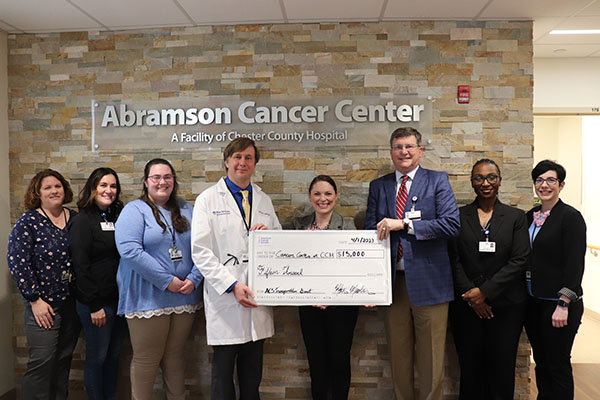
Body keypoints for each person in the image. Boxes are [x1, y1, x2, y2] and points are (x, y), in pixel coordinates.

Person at [365, 127, 460, 400]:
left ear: (420, 150)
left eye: (409, 146)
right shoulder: (379, 186)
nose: (403, 152)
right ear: (390, 151)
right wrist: (369, 285)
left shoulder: (437, 181)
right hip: (393, 285)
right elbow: (371, 236)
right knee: (399, 355)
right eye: (398, 147)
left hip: (430, 284)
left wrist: (405, 224)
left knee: (431, 358)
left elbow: (451, 225)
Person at [191, 137, 281, 400]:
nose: (243, 162)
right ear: (227, 161)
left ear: (255, 165)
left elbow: (279, 241)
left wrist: (269, 235)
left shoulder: (263, 200)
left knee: (252, 379)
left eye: (249, 158)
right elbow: (201, 251)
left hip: (256, 296)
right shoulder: (207, 199)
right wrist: (232, 285)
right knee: (223, 380)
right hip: (227, 299)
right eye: (238, 157)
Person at [115, 158, 203, 400]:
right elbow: (130, 251)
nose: (162, 182)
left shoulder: (188, 210)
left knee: (175, 355)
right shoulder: (134, 210)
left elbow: (204, 247)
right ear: (146, 182)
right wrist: (167, 280)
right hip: (148, 297)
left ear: (174, 181)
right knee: (147, 357)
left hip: (185, 295)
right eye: (156, 177)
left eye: (167, 177)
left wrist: (194, 278)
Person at [449, 159, 529, 400]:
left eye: (491, 177)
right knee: (470, 368)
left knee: (502, 368)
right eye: (479, 178)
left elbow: (519, 259)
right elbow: (452, 259)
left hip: (506, 307)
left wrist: (485, 292)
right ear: (472, 182)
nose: (485, 183)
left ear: (500, 181)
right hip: (466, 306)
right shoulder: (458, 216)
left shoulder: (516, 217)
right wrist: (473, 296)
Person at [7, 169, 80, 400]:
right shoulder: (28, 222)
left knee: (63, 360)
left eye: (57, 186)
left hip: (72, 303)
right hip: (43, 306)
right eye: (47, 187)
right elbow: (17, 262)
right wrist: (35, 300)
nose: (54, 191)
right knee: (42, 362)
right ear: (37, 193)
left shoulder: (75, 219)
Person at [525, 160, 586, 400]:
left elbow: (574, 264)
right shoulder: (531, 216)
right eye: (539, 180)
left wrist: (563, 303)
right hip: (534, 302)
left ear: (561, 184)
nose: (544, 185)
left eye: (551, 180)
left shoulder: (570, 217)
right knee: (541, 362)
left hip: (559, 304)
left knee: (557, 364)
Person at [293, 175, 358, 400]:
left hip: (342, 306)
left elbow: (355, 266)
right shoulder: (299, 226)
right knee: (316, 361)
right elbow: (286, 263)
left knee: (340, 359)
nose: (323, 198)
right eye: (317, 194)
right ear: (310, 197)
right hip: (310, 305)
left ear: (336, 196)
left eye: (328, 193)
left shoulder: (348, 225)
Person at [69, 167, 127, 400]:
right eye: (103, 185)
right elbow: (80, 266)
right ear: (93, 188)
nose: (108, 190)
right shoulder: (83, 220)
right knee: (97, 359)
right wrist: (94, 305)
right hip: (96, 305)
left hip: (118, 302)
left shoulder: (118, 216)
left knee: (114, 358)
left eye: (113, 186)